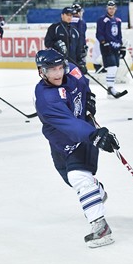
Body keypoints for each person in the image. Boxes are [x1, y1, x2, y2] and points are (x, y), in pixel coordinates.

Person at [33, 48, 120, 248]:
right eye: (51, 69)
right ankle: (97, 191)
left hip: (84, 139)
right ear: (41, 72)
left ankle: (101, 228)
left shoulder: (72, 70)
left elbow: (83, 84)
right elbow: (68, 124)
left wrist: (89, 99)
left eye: (59, 67)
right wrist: (95, 135)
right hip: (61, 144)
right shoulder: (46, 98)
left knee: (78, 177)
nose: (57, 73)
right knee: (71, 179)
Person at [96, 0, 126, 98]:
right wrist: (103, 42)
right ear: (106, 9)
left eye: (113, 8)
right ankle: (110, 89)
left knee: (115, 68)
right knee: (111, 67)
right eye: (109, 8)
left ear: (115, 9)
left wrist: (121, 47)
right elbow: (99, 33)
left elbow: (119, 35)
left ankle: (110, 90)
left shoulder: (118, 21)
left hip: (115, 47)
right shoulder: (102, 20)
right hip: (107, 47)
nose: (111, 10)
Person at [71, 2, 88, 73]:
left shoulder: (67, 21)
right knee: (80, 69)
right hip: (78, 49)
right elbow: (81, 36)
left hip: (69, 49)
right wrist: (82, 48)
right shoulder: (81, 22)